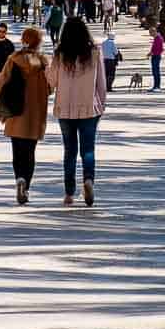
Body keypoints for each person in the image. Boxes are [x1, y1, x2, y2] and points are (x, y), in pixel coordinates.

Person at [47, 15, 107, 206]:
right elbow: (102, 83)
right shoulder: (95, 51)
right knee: (88, 150)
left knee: (70, 151)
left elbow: (51, 82)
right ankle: (88, 180)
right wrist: (101, 105)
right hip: (90, 107)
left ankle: (69, 193)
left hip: (65, 109)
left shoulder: (60, 54)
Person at [0, 26, 51, 203]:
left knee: (17, 151)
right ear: (39, 41)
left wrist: (0, 110)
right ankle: (26, 186)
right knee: (30, 152)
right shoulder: (43, 62)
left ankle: (19, 178)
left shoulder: (14, 59)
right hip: (35, 113)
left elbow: (1, 85)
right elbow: (50, 87)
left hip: (15, 112)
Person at [100, 25, 123, 92]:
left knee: (105, 74)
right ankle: (109, 87)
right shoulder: (112, 43)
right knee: (111, 74)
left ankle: (104, 87)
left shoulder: (103, 43)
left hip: (104, 60)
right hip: (111, 60)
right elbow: (115, 52)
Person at [148, 25, 165, 91]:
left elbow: (159, 48)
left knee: (156, 71)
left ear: (154, 32)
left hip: (156, 56)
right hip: (154, 56)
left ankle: (157, 86)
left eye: (150, 33)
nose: (150, 34)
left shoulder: (158, 38)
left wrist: (153, 53)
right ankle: (155, 86)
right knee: (154, 71)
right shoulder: (156, 38)